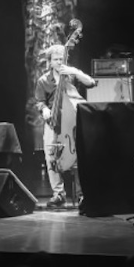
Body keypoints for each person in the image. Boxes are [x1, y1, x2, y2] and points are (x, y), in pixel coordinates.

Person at [35, 44, 96, 209]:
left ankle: (82, 194)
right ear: (50, 62)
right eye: (55, 59)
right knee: (51, 158)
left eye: (61, 59)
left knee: (78, 157)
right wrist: (45, 109)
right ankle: (59, 194)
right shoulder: (43, 81)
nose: (59, 62)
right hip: (53, 123)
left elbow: (91, 83)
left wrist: (74, 71)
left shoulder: (71, 76)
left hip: (72, 123)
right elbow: (39, 101)